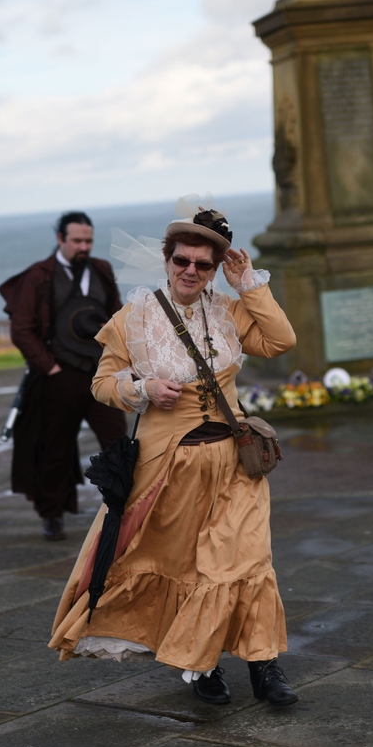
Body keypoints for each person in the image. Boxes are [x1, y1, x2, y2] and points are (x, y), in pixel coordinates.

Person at [49, 201, 300, 707]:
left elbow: (281, 340)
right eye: (182, 261)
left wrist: (249, 283)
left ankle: (264, 666)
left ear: (214, 270)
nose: (191, 271)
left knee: (248, 561)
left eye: (203, 265)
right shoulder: (134, 317)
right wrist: (142, 389)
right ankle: (199, 667)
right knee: (189, 569)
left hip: (235, 463)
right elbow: (101, 383)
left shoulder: (229, 312)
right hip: (170, 468)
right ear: (166, 261)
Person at [0, 212, 128, 541]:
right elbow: (22, 329)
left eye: (88, 241)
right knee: (54, 447)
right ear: (60, 239)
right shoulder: (39, 276)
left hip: (102, 373)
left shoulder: (101, 270)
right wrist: (50, 368)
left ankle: (126, 507)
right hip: (59, 376)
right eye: (77, 241)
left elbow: (116, 317)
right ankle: (52, 514)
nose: (83, 246)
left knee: (119, 442)